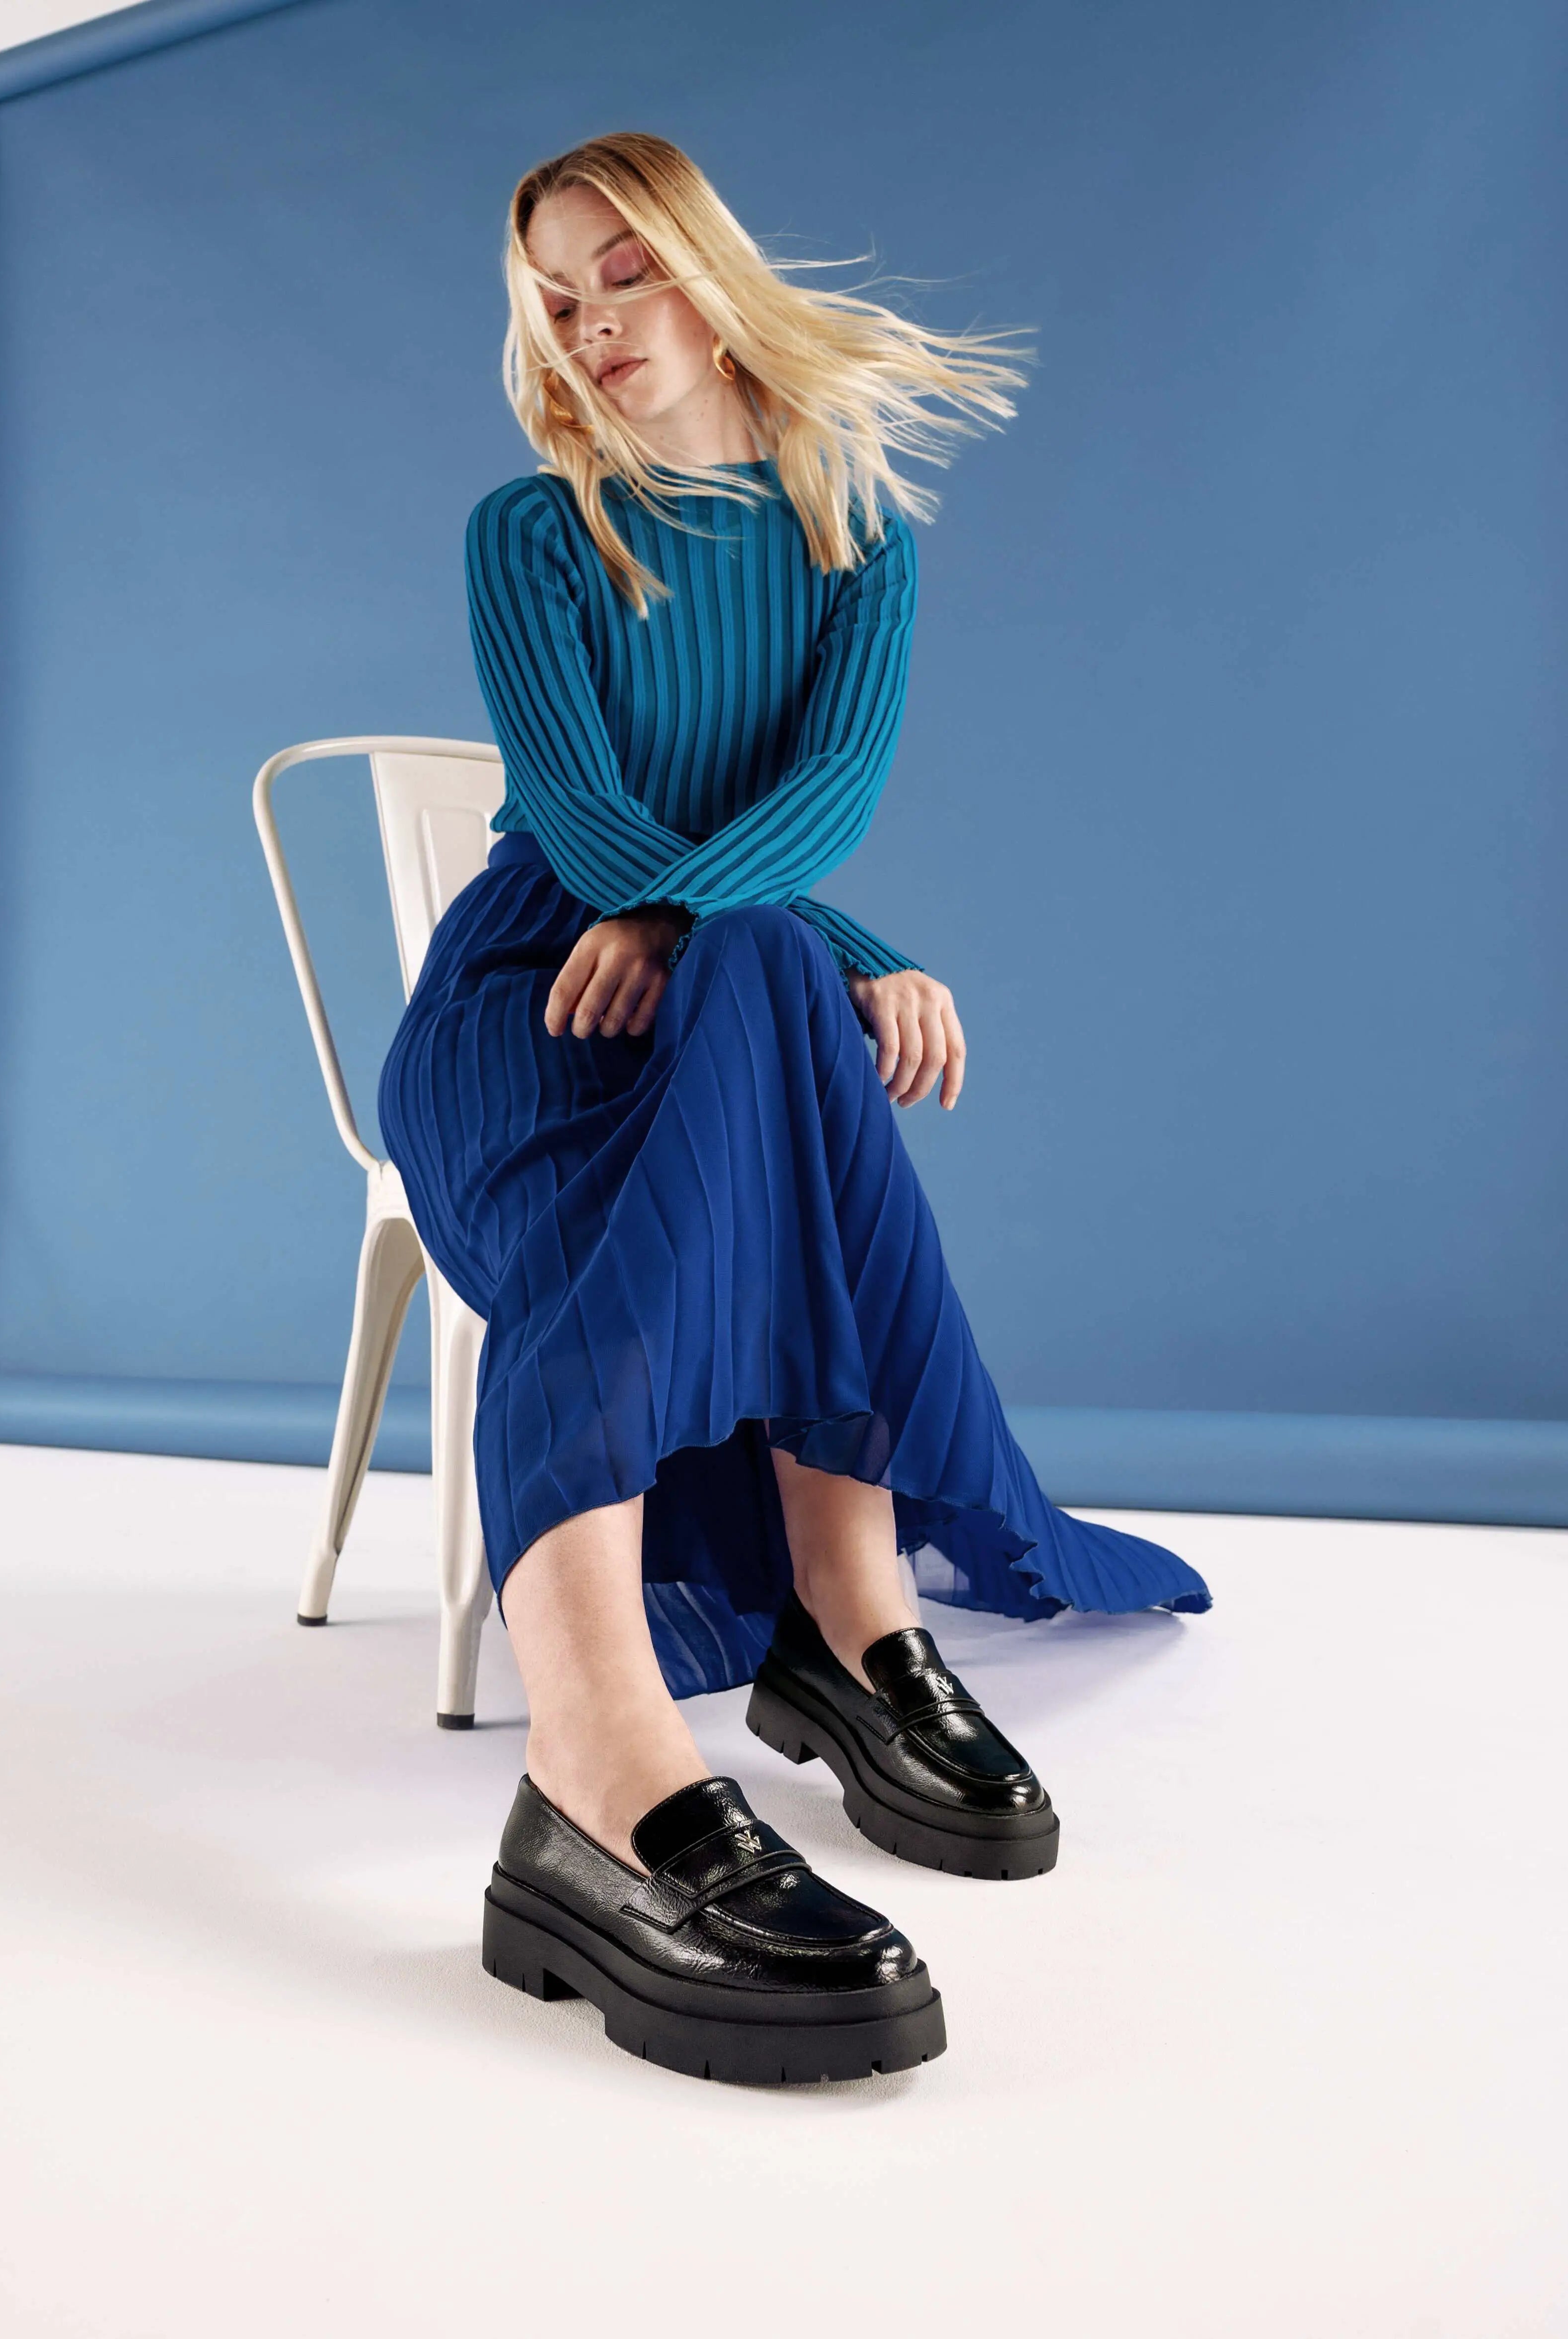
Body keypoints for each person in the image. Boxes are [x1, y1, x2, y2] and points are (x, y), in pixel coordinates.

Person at [377, 131, 1211, 2086]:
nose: (587, 325)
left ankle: (753, 1677)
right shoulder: (532, 529)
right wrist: (839, 947)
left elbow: (828, 790)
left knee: (762, 974)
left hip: (713, 972)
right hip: (535, 989)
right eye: (554, 296)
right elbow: (575, 816)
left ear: (706, 269)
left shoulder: (856, 535)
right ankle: (716, 1694)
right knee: (773, 978)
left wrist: (797, 931)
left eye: (622, 276)